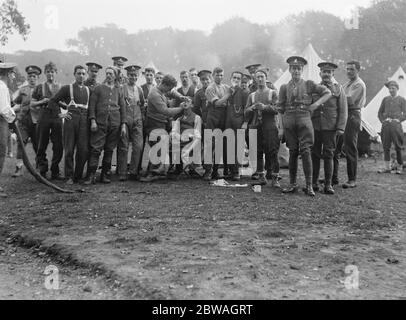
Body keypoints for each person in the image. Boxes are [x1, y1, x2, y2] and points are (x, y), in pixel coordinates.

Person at [279, 56, 331, 197]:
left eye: (299, 68)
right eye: (293, 68)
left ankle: (309, 186)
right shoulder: (284, 87)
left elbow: (327, 93)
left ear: (302, 70)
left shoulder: (309, 84)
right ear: (289, 70)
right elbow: (280, 108)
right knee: (293, 152)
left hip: (304, 118)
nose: (296, 71)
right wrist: (281, 128)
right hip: (289, 119)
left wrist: (315, 105)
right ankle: (292, 184)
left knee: (306, 150)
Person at [140, 75, 187, 182]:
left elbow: (172, 92)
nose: (170, 90)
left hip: (161, 122)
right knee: (157, 147)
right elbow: (165, 111)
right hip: (154, 124)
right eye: (169, 88)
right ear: (165, 84)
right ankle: (151, 174)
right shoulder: (154, 94)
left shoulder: (161, 89)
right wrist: (181, 108)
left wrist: (181, 97)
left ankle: (156, 172)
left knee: (160, 147)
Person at [85, 67, 127, 185]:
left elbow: (123, 108)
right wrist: (93, 120)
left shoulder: (119, 90)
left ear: (115, 76)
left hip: (114, 124)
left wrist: (123, 124)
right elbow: (92, 106)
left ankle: (105, 174)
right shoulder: (99, 88)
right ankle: (91, 175)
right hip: (100, 124)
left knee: (109, 149)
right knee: (95, 149)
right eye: (107, 73)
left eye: (111, 73)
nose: (108, 75)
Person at [49, 65, 90, 185]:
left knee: (83, 150)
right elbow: (53, 101)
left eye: (83, 73)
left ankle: (78, 176)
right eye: (79, 73)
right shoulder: (68, 88)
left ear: (85, 75)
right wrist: (60, 115)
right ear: (74, 74)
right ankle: (69, 176)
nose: (81, 76)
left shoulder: (88, 90)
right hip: (71, 119)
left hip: (84, 120)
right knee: (69, 149)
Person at [311, 62, 348, 195]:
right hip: (315, 126)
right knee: (314, 154)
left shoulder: (338, 89)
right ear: (320, 73)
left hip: (330, 127)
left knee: (329, 154)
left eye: (329, 72)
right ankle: (313, 183)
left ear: (333, 74)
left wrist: (341, 127)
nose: (326, 74)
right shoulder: (314, 88)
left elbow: (343, 110)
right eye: (323, 71)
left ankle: (328, 184)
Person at [244, 69, 280, 187]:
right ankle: (261, 176)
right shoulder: (252, 95)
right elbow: (246, 111)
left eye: (262, 77)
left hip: (270, 125)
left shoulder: (272, 93)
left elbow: (277, 109)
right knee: (258, 151)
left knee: (273, 151)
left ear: (266, 78)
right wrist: (252, 108)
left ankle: (275, 177)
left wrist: (264, 107)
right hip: (256, 125)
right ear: (255, 78)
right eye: (258, 77)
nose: (260, 79)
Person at [32, 62, 63, 180]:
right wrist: (42, 101)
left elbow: (66, 105)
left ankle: (55, 170)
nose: (50, 74)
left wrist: (58, 102)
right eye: (48, 71)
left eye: (52, 72)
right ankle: (42, 169)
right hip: (43, 116)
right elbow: (32, 104)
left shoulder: (61, 87)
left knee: (58, 145)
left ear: (56, 73)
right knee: (41, 144)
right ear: (45, 73)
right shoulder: (39, 87)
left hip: (57, 116)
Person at [12, 65, 42, 178]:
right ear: (27, 78)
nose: (32, 78)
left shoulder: (41, 89)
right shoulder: (23, 90)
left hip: (37, 121)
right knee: (21, 144)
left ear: (38, 77)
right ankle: (18, 168)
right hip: (23, 121)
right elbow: (16, 103)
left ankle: (39, 167)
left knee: (38, 145)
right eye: (30, 76)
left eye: (34, 76)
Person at [117, 65, 145, 181]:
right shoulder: (122, 88)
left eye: (135, 75)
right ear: (127, 76)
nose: (133, 77)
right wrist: (123, 122)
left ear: (138, 76)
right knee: (123, 146)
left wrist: (140, 116)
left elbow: (142, 104)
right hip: (125, 119)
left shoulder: (139, 89)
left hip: (137, 120)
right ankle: (122, 172)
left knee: (138, 146)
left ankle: (133, 171)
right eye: (131, 75)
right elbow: (120, 105)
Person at [341, 61, 366, 189]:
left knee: (350, 148)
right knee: (336, 146)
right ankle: (333, 176)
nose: (349, 71)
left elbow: (348, 100)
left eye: (351, 69)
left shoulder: (359, 85)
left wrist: (334, 96)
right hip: (343, 116)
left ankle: (352, 179)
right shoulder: (347, 84)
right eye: (347, 69)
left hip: (352, 116)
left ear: (358, 70)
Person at [203, 67, 231, 181]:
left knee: (220, 145)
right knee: (210, 144)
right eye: (217, 75)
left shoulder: (225, 87)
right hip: (213, 117)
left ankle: (215, 171)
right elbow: (218, 103)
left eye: (221, 75)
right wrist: (229, 95)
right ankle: (207, 171)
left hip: (223, 118)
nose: (219, 77)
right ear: (213, 76)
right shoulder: (210, 88)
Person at [377, 80, 406, 175]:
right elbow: (380, 113)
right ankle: (387, 167)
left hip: (396, 126)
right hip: (386, 126)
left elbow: (405, 113)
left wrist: (399, 120)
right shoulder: (385, 99)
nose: (391, 90)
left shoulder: (401, 99)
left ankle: (400, 167)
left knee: (398, 146)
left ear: (397, 88)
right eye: (389, 88)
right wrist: (383, 121)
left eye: (393, 88)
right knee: (386, 146)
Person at [169, 99, 202, 179]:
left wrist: (189, 136)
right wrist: (179, 136)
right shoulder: (179, 119)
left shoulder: (197, 118)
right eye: (184, 101)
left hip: (191, 141)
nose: (185, 102)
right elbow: (173, 131)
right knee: (172, 145)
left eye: (188, 101)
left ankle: (191, 169)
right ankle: (178, 168)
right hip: (180, 141)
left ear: (192, 105)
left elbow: (197, 134)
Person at [225, 71, 249, 181]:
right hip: (228, 121)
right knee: (229, 145)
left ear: (241, 80)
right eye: (234, 77)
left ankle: (236, 172)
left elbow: (247, 109)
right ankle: (231, 170)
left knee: (237, 147)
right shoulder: (228, 90)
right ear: (231, 78)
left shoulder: (244, 92)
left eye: (238, 78)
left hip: (239, 122)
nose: (236, 80)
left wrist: (245, 122)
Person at [0, 62, 17, 198]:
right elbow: (4, 110)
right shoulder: (1, 87)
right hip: (1, 122)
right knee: (0, 152)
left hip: (3, 122)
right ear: (6, 73)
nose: (14, 76)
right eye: (12, 73)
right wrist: (14, 113)